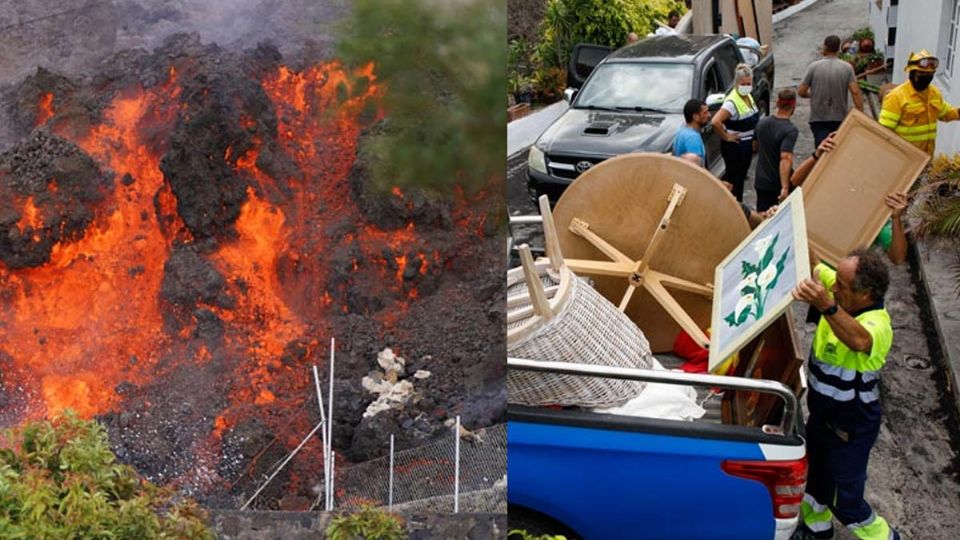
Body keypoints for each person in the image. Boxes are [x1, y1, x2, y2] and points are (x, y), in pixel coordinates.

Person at [791, 249, 901, 540]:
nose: (833, 287)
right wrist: (789, 214)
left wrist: (827, 306)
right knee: (815, 480)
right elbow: (814, 263)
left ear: (865, 294)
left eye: (840, 286)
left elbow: (858, 339)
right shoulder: (841, 288)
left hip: (849, 428)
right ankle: (817, 529)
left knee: (846, 500)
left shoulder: (877, 324)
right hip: (822, 417)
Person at [791, 133, 909, 265]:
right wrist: (816, 156)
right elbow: (795, 181)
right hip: (802, 267)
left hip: (839, 280)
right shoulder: (829, 181)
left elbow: (898, 258)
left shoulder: (875, 211)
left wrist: (896, 219)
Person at [879, 49, 960, 156]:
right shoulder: (896, 97)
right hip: (903, 158)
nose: (925, 76)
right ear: (911, 73)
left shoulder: (934, 94)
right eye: (921, 73)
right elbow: (883, 132)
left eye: (929, 74)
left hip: (926, 157)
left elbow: (945, 113)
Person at [799, 35, 865, 147]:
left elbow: (801, 91)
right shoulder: (847, 68)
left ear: (825, 47)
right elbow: (855, 92)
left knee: (821, 151)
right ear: (838, 49)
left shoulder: (814, 67)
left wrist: (812, 94)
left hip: (818, 118)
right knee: (838, 149)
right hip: (840, 117)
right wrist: (860, 113)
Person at [711, 64, 760, 202]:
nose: (746, 86)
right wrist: (727, 136)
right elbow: (715, 122)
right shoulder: (731, 102)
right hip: (735, 149)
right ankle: (734, 208)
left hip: (745, 147)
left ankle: (738, 205)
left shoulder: (748, 96)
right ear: (737, 83)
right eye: (743, 84)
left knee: (740, 179)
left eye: (748, 83)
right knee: (734, 182)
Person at [754, 88, 799, 211]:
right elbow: (785, 158)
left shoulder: (762, 123)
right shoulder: (790, 130)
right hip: (776, 184)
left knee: (762, 218)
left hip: (761, 181)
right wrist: (785, 187)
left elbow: (754, 146)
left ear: (777, 103)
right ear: (794, 105)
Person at [673, 99, 710, 166]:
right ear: (695, 117)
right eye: (705, 113)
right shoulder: (692, 137)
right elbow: (696, 169)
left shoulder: (681, 131)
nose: (709, 115)